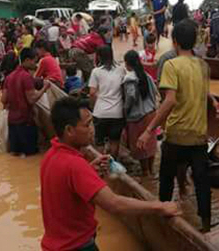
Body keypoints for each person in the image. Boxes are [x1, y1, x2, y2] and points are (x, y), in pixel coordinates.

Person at [41, 97, 181, 251]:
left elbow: (66, 191)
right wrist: (159, 207)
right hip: (76, 246)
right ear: (69, 130)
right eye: (87, 125)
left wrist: (88, 170)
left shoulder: (51, 155)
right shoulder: (75, 165)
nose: (92, 129)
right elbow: (115, 204)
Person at [137, 19, 213, 231]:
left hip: (177, 134)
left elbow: (169, 101)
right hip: (199, 135)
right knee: (202, 183)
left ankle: (164, 219)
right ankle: (206, 225)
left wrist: (148, 130)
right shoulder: (204, 66)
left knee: (166, 179)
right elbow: (203, 95)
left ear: (175, 41)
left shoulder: (171, 64)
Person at [1, 48, 50, 156]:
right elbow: (31, 99)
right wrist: (44, 88)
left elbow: (3, 100)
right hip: (26, 122)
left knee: (15, 157)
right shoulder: (26, 77)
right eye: (34, 61)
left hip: (12, 123)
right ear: (27, 60)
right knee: (30, 156)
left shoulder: (9, 77)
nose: (36, 64)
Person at [123, 50, 159, 177]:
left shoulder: (129, 78)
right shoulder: (146, 75)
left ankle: (145, 172)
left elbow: (131, 97)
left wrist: (125, 110)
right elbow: (155, 92)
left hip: (137, 116)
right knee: (150, 143)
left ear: (127, 64)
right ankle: (151, 170)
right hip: (151, 114)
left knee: (140, 145)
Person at [89, 46, 126, 157]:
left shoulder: (96, 72)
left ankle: (102, 164)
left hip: (100, 112)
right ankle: (113, 163)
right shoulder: (121, 70)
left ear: (99, 56)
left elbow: (92, 93)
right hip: (117, 113)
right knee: (114, 141)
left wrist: (93, 106)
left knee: (100, 141)